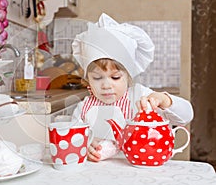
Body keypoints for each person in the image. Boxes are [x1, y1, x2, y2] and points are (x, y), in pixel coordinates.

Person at [71, 13, 194, 162]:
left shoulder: (141, 96)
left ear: (128, 76)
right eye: (97, 78)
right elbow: (73, 140)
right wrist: (85, 145)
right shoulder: (83, 108)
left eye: (115, 77)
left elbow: (187, 116)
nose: (106, 85)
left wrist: (164, 99)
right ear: (87, 79)